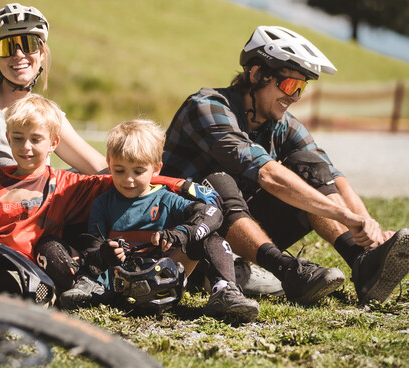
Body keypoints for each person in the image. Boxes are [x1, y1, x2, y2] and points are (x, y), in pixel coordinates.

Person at [162, 25, 409, 305]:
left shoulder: (282, 125)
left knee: (309, 166)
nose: (294, 97)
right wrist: (343, 215)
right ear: (256, 75)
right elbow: (268, 175)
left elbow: (331, 175)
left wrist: (369, 229)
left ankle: (361, 261)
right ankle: (286, 270)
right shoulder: (207, 106)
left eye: (301, 88)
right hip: (184, 241)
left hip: (237, 236)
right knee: (217, 182)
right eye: (290, 85)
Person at [0, 96, 210, 296]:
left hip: (35, 270)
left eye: (35, 139)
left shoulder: (65, 184)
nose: (25, 147)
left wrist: (179, 185)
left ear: (53, 143)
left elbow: (122, 178)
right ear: (7, 138)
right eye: (17, 138)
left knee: (49, 255)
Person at [0, 3, 107, 246]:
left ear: (41, 53)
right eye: (7, 47)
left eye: (28, 44)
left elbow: (98, 167)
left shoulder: (48, 114)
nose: (19, 55)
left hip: (37, 233)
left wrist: (149, 181)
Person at [59, 119, 260, 322]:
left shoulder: (167, 199)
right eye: (119, 170)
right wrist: (105, 254)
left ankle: (225, 291)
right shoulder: (102, 203)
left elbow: (212, 213)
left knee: (210, 236)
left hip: (165, 276)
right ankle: (92, 289)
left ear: (156, 169)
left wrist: (181, 233)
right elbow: (91, 250)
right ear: (109, 163)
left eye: (138, 171)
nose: (128, 179)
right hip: (119, 282)